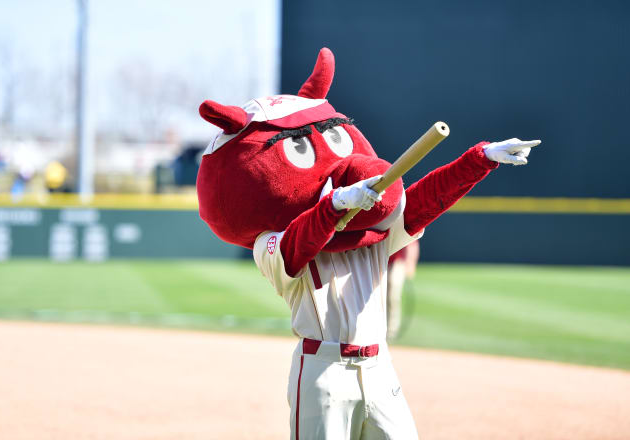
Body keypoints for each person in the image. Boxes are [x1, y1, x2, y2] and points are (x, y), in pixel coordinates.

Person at [196, 48, 540, 439]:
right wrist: (335, 203)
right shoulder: (269, 245)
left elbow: (423, 202)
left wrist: (481, 158)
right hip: (323, 371)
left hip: (379, 369)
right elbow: (299, 241)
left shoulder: (372, 236)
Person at [387, 240, 420, 341]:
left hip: (397, 262)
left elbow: (412, 242)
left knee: (393, 296)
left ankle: (391, 331)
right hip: (379, 261)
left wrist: (411, 263)